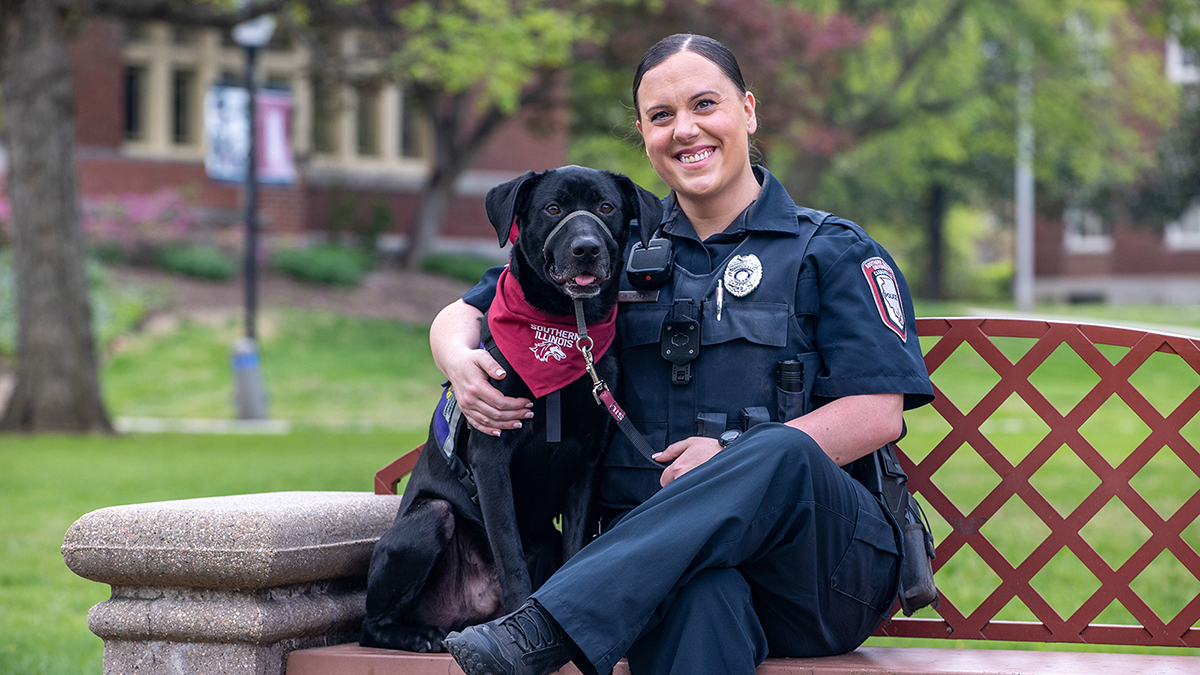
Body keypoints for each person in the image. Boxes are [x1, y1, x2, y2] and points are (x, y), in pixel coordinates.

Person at [433, 34, 935, 675]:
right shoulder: (609, 245)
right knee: (699, 599)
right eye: (662, 116)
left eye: (705, 104)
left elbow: (877, 414)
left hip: (816, 572)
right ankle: (565, 616)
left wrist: (727, 456)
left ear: (748, 111)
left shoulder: (831, 249)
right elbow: (472, 309)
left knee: (778, 449)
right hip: (660, 578)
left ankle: (544, 626)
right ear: (642, 133)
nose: (685, 130)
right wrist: (454, 355)